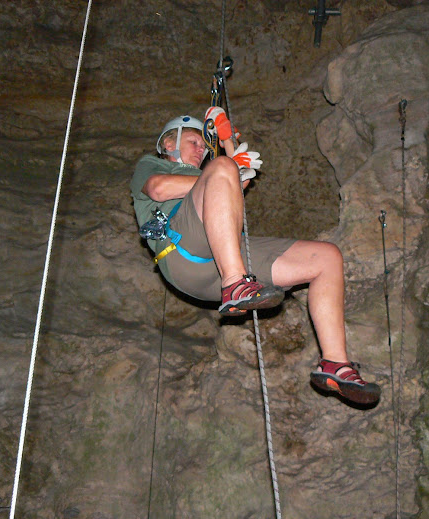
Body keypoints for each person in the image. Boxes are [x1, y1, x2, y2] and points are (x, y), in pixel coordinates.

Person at [130, 110, 380, 405]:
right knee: (223, 169)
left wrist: (228, 145)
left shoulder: (208, 175)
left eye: (203, 144)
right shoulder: (151, 165)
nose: (201, 149)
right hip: (182, 250)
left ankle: (336, 364)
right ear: (170, 144)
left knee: (325, 258)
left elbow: (233, 187)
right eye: (194, 142)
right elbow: (159, 189)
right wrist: (228, 169)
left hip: (221, 257)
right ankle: (235, 284)